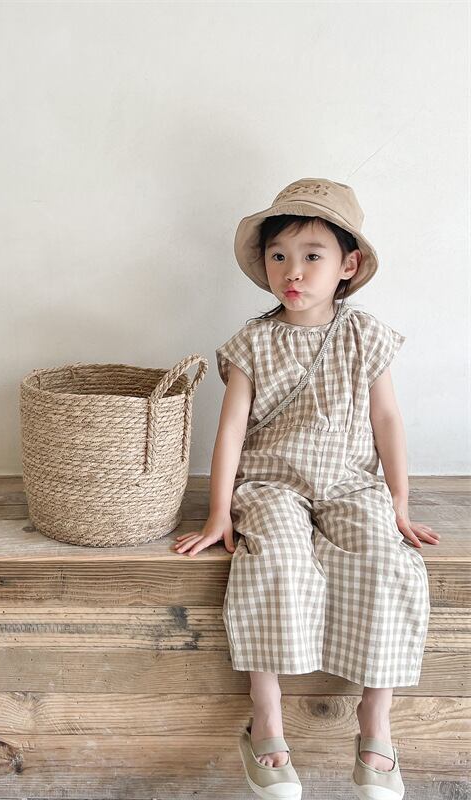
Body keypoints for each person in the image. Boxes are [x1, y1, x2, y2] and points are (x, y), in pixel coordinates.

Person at [172, 178, 440, 800]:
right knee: (278, 560)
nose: (292, 271)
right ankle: (265, 718)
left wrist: (398, 503)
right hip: (273, 484)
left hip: (351, 483)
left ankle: (376, 722)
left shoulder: (365, 335)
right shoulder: (252, 342)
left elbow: (387, 421)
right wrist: (218, 512)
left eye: (312, 255)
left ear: (347, 265)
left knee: (386, 559)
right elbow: (231, 430)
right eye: (279, 256)